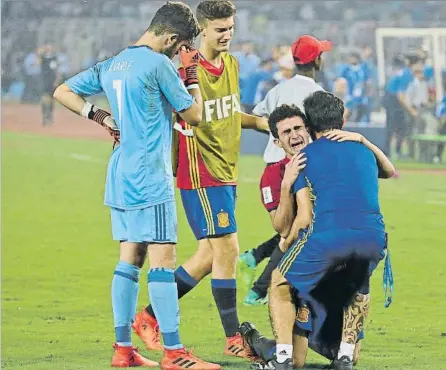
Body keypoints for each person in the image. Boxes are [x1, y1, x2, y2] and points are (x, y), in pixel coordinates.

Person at [53, 2, 222, 369]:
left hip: (120, 174)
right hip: (150, 176)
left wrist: (99, 116)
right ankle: (175, 354)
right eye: (178, 47)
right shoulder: (159, 64)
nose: (178, 53)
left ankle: (123, 349)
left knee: (130, 259)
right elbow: (194, 116)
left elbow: (62, 91)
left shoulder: (114, 63)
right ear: (172, 37)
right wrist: (191, 76)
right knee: (164, 260)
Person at [132, 0, 269, 361]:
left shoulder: (232, 65)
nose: (228, 35)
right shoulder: (184, 75)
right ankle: (232, 338)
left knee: (210, 256)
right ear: (202, 30)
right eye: (220, 29)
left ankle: (148, 316)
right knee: (228, 250)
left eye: (231, 28)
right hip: (200, 172)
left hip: (227, 171)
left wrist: (262, 123)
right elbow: (180, 122)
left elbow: (229, 113)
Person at [240, 103, 395, 370]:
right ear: (277, 141)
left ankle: (298, 355)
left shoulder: (317, 158)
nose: (294, 135)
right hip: (320, 257)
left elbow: (303, 222)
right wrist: (287, 184)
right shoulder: (273, 175)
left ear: (309, 129)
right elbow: (280, 225)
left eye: (298, 128)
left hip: (319, 252)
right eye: (286, 132)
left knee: (282, 283)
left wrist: (287, 244)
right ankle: (258, 340)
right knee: (299, 359)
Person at [237, 34, 334, 306]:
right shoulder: (319, 95)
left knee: (297, 226)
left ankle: (255, 258)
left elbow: (259, 117)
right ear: (317, 59)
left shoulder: (278, 89)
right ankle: (259, 289)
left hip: (273, 166)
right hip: (299, 165)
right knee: (297, 230)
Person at [383, 55, 423, 157]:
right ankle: (388, 152)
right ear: (414, 65)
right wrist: (411, 111)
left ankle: (395, 151)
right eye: (419, 64)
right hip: (392, 100)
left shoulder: (405, 72)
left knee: (399, 126)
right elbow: (400, 95)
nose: (421, 67)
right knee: (393, 126)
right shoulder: (407, 75)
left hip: (390, 98)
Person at [39, 45, 60, 126]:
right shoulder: (43, 58)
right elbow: (38, 61)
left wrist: (56, 80)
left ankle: (50, 116)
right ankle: (44, 116)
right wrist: (41, 53)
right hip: (44, 80)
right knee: (44, 98)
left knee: (51, 99)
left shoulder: (54, 58)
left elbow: (57, 70)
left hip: (52, 81)